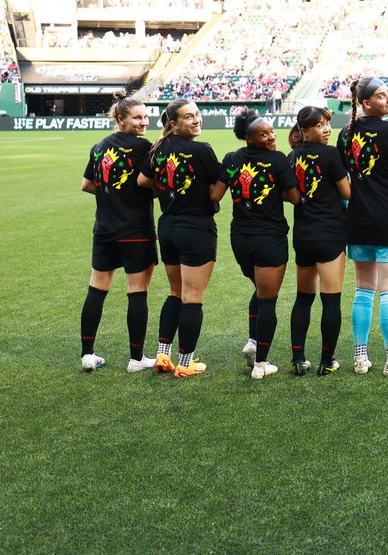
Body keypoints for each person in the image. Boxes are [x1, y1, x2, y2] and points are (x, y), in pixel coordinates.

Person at [137, 99, 222, 377]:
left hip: (168, 227)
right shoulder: (202, 150)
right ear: (173, 123)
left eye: (197, 114)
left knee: (175, 293)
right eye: (188, 117)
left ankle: (164, 355)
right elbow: (214, 192)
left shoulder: (158, 147)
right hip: (196, 228)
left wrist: (166, 189)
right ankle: (186, 363)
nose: (196, 120)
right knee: (192, 298)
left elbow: (142, 181)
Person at [337, 77, 388, 376]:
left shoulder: (345, 134)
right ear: (365, 103)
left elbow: (343, 178)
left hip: (359, 219)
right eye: (382, 96)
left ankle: (360, 357)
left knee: (363, 289)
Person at [213, 109, 300, 380]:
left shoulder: (231, 159)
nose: (272, 136)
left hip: (240, 238)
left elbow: (215, 194)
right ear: (249, 138)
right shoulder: (277, 160)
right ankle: (261, 364)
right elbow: (295, 197)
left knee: (260, 290)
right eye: (264, 134)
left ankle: (253, 341)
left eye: (272, 131)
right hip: (270, 238)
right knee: (268, 299)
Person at [78, 90, 157, 373]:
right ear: (121, 119)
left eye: (146, 116)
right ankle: (136, 359)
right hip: (136, 230)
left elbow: (86, 185)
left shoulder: (98, 147)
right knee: (137, 292)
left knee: (97, 289)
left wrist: (113, 193)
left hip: (105, 230)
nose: (144, 121)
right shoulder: (144, 147)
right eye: (137, 117)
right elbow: (151, 183)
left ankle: (88, 354)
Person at [286, 105, 351, 375]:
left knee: (303, 298)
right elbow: (347, 191)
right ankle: (327, 361)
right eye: (319, 125)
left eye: (327, 123)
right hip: (330, 233)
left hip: (303, 234)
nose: (326, 129)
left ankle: (298, 358)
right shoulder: (330, 153)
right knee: (331, 300)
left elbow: (289, 195)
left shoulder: (292, 156)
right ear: (305, 130)